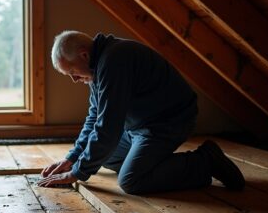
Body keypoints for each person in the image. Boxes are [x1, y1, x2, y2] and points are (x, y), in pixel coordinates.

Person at [38, 31, 244, 194]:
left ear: (84, 54)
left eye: (72, 72)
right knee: (103, 156)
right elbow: (94, 118)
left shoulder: (114, 61)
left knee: (131, 180)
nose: (74, 80)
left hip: (166, 123)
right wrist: (73, 158)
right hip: (137, 128)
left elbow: (108, 127)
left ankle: (205, 161)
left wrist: (78, 173)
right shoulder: (97, 68)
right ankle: (147, 163)